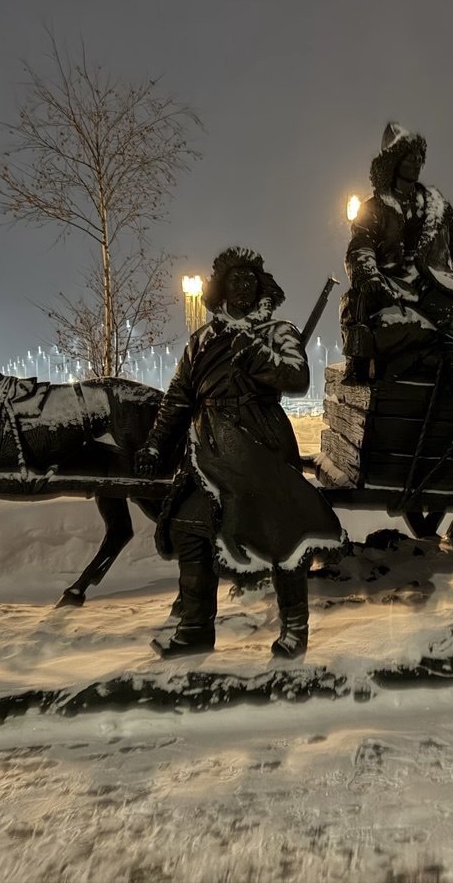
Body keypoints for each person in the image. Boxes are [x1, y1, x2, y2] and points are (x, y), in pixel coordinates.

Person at [135, 247, 345, 658]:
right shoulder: (202, 340)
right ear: (221, 288)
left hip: (260, 444)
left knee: (283, 532)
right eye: (236, 278)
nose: (244, 285)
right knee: (188, 526)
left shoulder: (277, 331)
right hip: (209, 447)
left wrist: (258, 355)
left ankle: (295, 629)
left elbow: (296, 376)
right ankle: (195, 628)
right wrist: (157, 442)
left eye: (252, 278)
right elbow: (178, 398)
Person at [339, 121, 453, 411]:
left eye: (419, 157)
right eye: (408, 157)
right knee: (362, 311)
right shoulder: (375, 207)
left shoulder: (438, 206)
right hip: (393, 285)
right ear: (393, 162)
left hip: (433, 284)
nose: (415, 162)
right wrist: (369, 275)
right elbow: (360, 247)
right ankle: (357, 368)